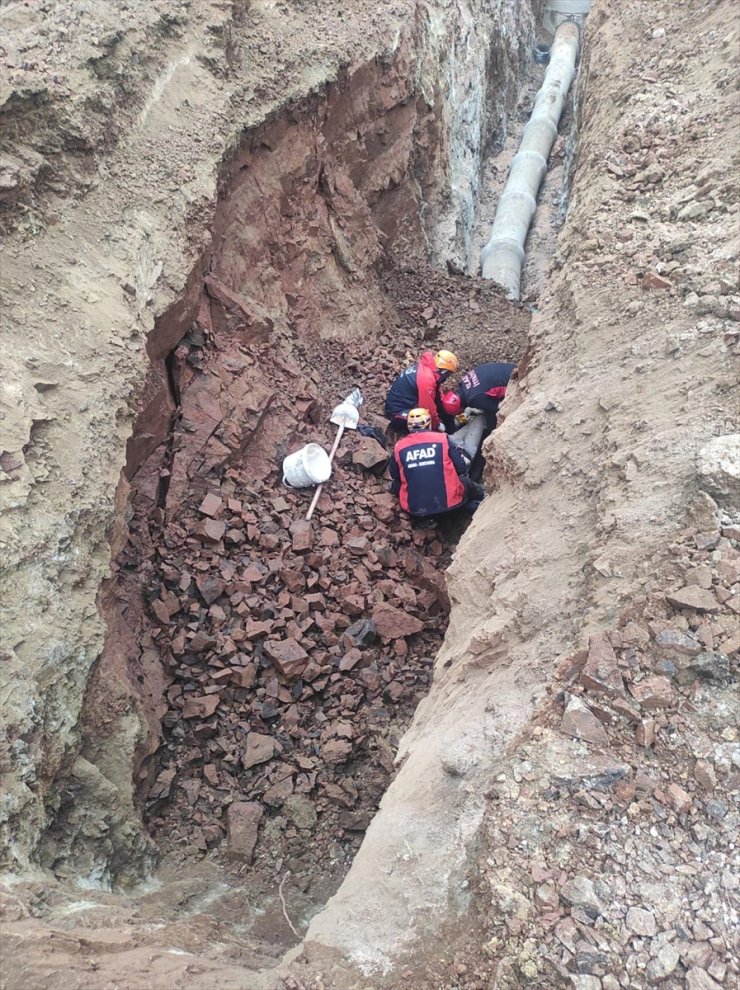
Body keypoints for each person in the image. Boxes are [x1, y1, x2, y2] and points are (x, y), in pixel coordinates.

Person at [389, 407, 484, 518]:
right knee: (464, 481)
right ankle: (482, 498)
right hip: (451, 503)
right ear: (429, 424)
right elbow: (461, 468)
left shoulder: (399, 447)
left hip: (415, 510)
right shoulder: (442, 438)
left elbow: (395, 475)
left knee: (397, 485)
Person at [384, 349, 459, 433]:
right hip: (398, 411)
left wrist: (446, 412)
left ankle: (452, 431)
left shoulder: (429, 368)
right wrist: (437, 425)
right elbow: (427, 408)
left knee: (442, 409)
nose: (447, 377)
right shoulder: (427, 379)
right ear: (444, 371)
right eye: (448, 374)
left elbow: (437, 398)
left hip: (407, 402)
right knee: (424, 422)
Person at [439, 361, 516, 427]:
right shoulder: (463, 382)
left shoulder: (474, 398)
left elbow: (495, 410)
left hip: (514, 381)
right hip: (512, 369)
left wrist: (489, 427)